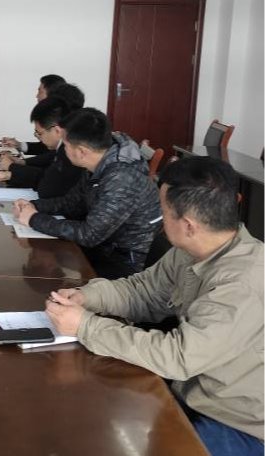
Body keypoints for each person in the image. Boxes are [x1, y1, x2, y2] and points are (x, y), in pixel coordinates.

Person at [44, 157, 264, 456]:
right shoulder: (195, 247)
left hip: (236, 422)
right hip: (191, 393)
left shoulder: (243, 282)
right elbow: (145, 291)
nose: (160, 219)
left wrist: (86, 326)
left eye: (164, 211)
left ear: (188, 225)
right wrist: (88, 296)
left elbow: (179, 356)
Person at [13, 108, 161, 279]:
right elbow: (72, 202)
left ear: (82, 151)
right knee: (49, 258)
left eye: (65, 145)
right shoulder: (99, 162)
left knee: (48, 270)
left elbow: (89, 234)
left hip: (123, 262)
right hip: (103, 247)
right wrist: (34, 206)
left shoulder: (122, 178)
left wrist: (33, 219)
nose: (63, 150)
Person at [0, 87, 85, 198]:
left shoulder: (71, 150)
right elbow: (48, 176)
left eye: (39, 133)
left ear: (57, 130)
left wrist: (12, 168)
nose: (39, 138)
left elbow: (47, 187)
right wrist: (10, 174)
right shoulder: (64, 145)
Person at [0, 74, 66, 154]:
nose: (36, 96)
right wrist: (19, 145)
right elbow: (47, 149)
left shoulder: (65, 119)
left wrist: (18, 162)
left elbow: (52, 155)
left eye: (40, 92)